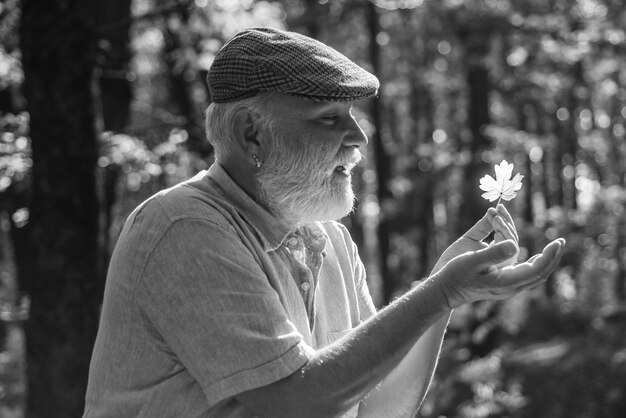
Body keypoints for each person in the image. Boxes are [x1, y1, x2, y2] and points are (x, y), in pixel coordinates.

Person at [84, 27, 564, 418]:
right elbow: (298, 402)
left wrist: (444, 291)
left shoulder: (330, 238)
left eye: (351, 114)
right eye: (329, 118)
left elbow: (379, 407)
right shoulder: (183, 227)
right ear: (251, 132)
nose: (359, 137)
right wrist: (439, 293)